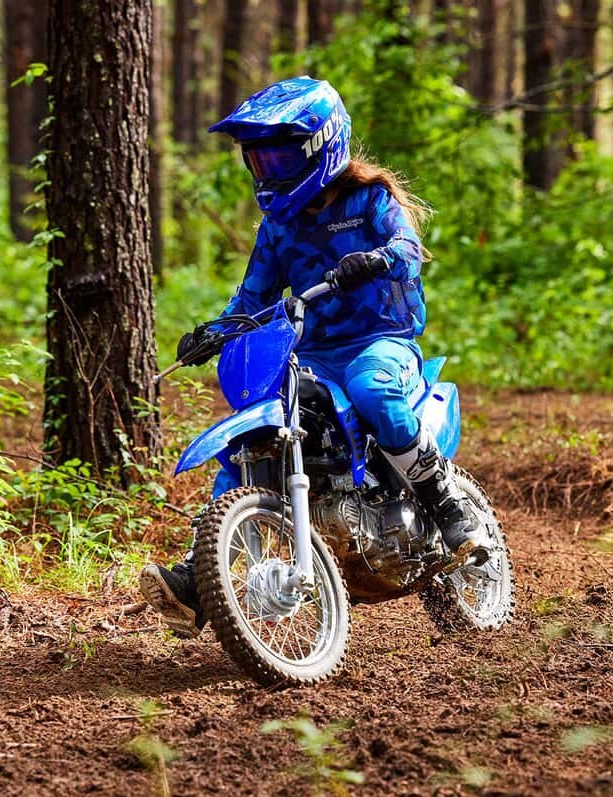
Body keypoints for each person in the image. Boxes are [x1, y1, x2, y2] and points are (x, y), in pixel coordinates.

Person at [140, 76, 490, 638]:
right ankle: (201, 573)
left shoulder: (370, 200)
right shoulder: (278, 227)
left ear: (322, 145)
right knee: (248, 439)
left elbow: (408, 248)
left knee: (373, 389)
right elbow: (252, 299)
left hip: (381, 342)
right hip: (312, 354)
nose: (269, 171)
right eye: (259, 160)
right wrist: (214, 332)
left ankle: (446, 503)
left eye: (280, 157)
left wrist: (375, 259)